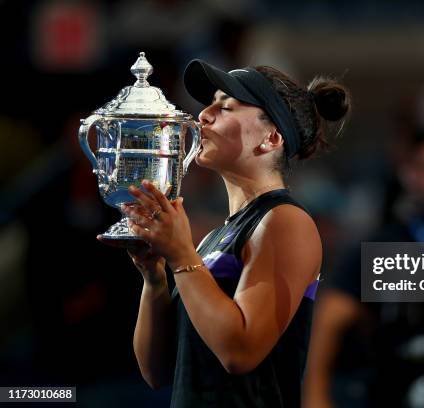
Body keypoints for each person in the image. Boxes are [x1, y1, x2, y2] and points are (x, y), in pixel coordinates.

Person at [99, 61, 350, 407]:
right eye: (210, 104)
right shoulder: (213, 239)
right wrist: (155, 277)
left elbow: (240, 352)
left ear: (271, 138)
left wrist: (183, 256)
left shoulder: (286, 221)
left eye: (226, 106)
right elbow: (157, 371)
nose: (203, 115)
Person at [303, 126, 424, 408]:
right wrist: (316, 397)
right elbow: (330, 322)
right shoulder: (386, 246)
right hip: (393, 393)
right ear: (411, 176)